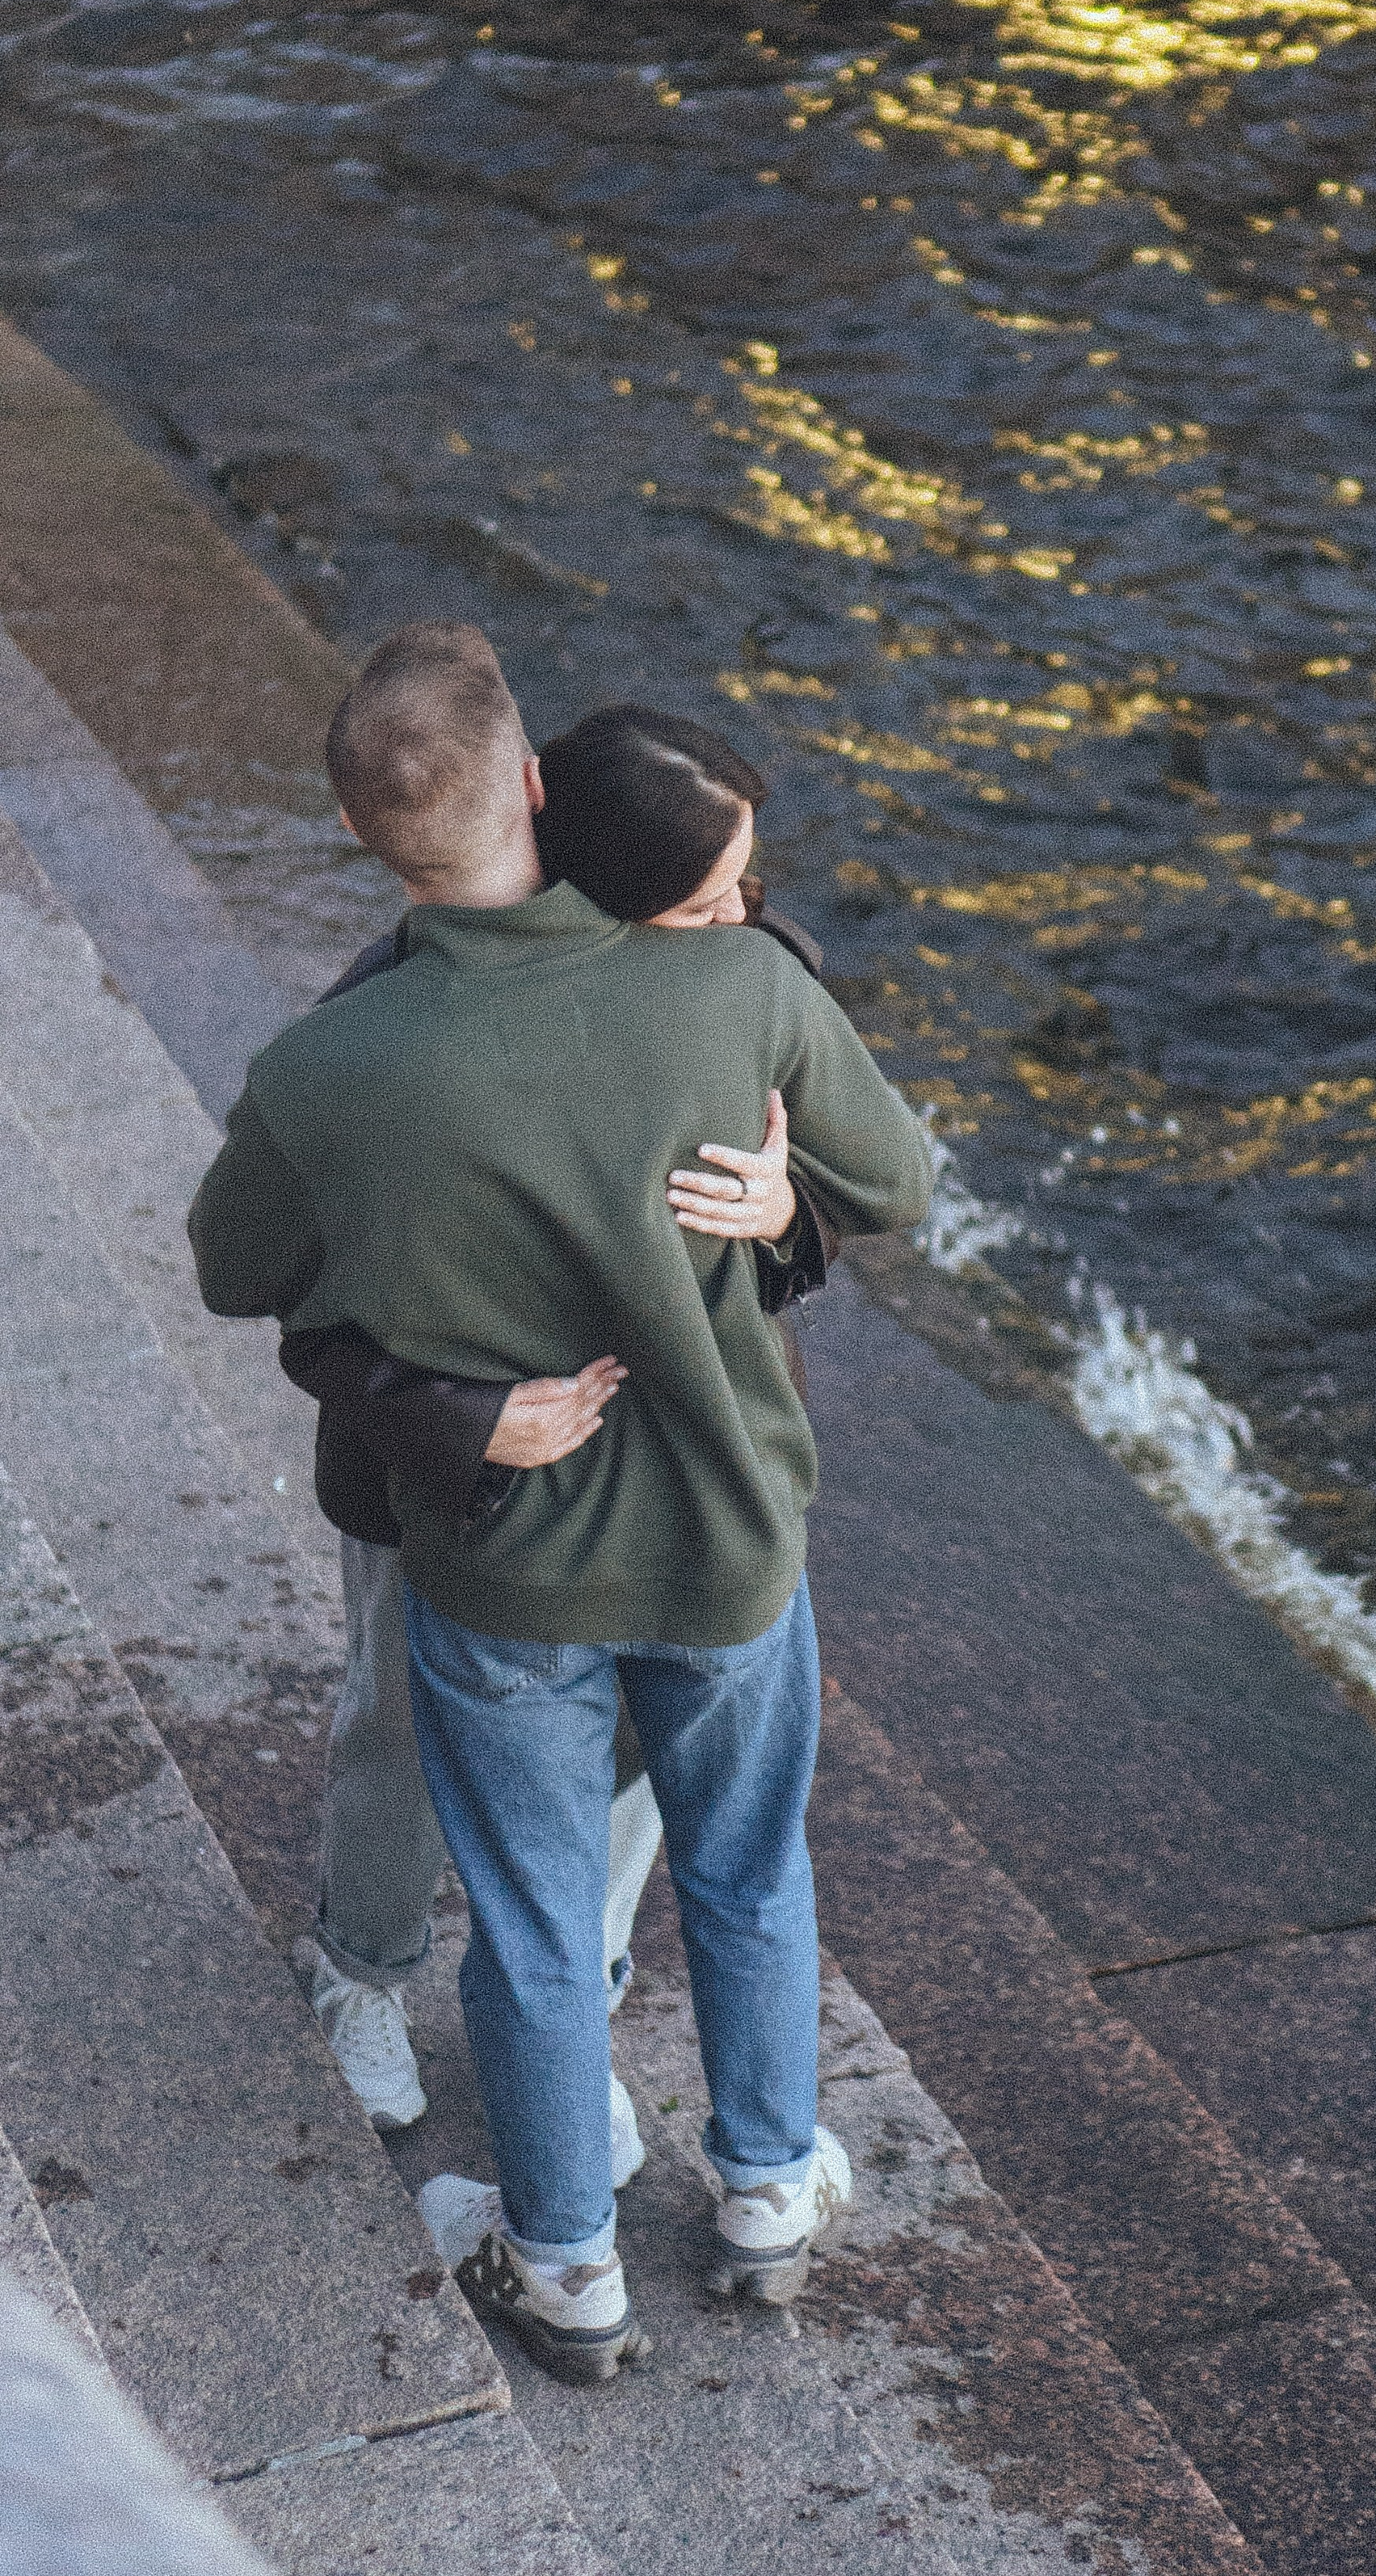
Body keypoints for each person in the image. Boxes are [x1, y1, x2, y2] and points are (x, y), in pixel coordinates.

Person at [189, 626, 933, 2383]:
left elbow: (239, 1274)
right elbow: (895, 1175)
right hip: (727, 1541)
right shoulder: (735, 989)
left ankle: (564, 2269)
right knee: (748, 1872)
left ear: (367, 834)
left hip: (505, 1566)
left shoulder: (327, 1070)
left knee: (525, 1921)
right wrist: (777, 1208)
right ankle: (763, 2195)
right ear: (536, 786)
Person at [285, 712, 831, 2172]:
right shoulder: (408, 993)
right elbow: (292, 1269)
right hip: (456, 1477)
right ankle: (361, 1966)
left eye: (743, 897)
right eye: (707, 901)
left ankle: (562, 2016)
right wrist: (462, 1417)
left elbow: (843, 1161)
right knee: (399, 1721)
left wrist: (788, 1216)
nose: (739, 923)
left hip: (676, 1455)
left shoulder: (742, 964)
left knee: (647, 1757)